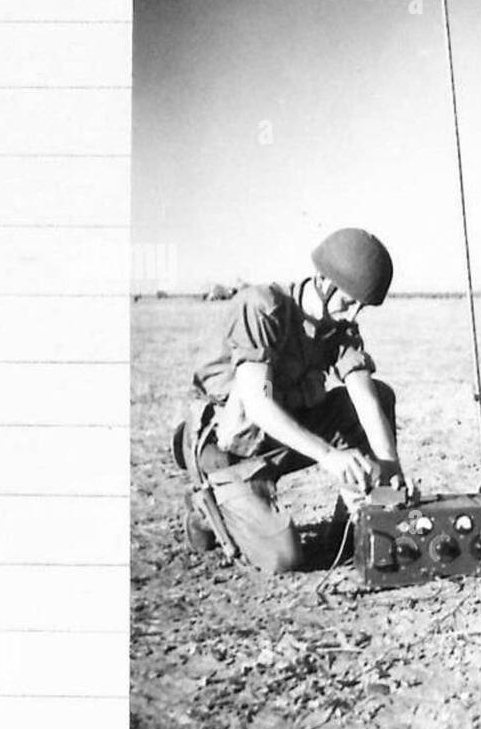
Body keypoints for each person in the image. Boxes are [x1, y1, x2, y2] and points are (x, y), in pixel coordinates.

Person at [172, 227, 409, 573]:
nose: (353, 315)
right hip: (232, 445)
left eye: (362, 307)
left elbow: (366, 399)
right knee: (283, 558)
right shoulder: (263, 308)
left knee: (381, 394)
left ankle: (353, 525)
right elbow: (259, 403)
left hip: (283, 435)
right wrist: (329, 455)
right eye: (347, 301)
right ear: (322, 281)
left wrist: (390, 467)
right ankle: (203, 510)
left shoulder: (339, 327)